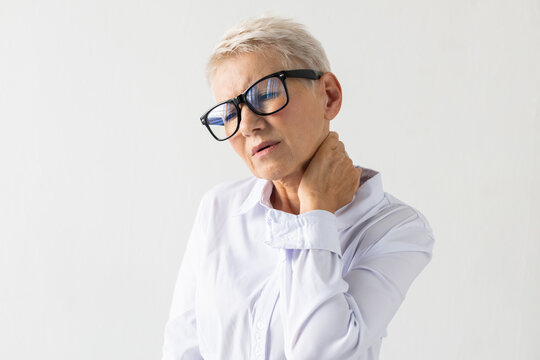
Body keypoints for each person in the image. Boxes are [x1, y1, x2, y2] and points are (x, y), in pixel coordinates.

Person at [162, 15, 434, 360]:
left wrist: (316, 210)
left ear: (329, 96)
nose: (247, 125)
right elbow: (183, 349)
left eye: (267, 93)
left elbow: (319, 353)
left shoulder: (396, 229)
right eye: (229, 113)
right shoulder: (219, 209)